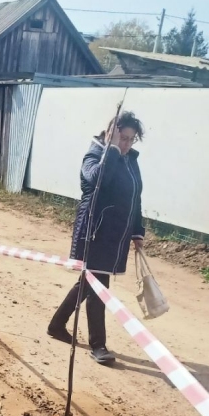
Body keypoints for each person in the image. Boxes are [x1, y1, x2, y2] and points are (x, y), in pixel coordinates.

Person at [48, 111, 145, 365]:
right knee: (98, 286)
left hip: (117, 234)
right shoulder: (95, 155)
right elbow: (97, 179)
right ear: (110, 133)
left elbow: (135, 197)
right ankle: (98, 345)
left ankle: (57, 324)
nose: (126, 144)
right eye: (123, 138)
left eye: (131, 139)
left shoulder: (131, 160)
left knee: (89, 283)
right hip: (95, 232)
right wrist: (111, 149)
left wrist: (137, 231)